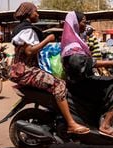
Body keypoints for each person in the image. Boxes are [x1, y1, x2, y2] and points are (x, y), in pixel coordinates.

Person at [9, 2, 89, 135]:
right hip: (27, 71)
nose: (38, 14)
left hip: (22, 70)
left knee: (57, 81)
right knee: (59, 85)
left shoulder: (21, 28)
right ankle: (71, 124)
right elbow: (29, 51)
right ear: (29, 13)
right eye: (36, 12)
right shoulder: (27, 30)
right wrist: (47, 40)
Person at [61, 11, 113, 138]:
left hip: (80, 80)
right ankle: (106, 125)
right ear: (75, 23)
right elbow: (82, 63)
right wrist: (111, 63)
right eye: (84, 22)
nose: (86, 25)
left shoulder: (75, 39)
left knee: (106, 81)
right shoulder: (72, 43)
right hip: (79, 83)